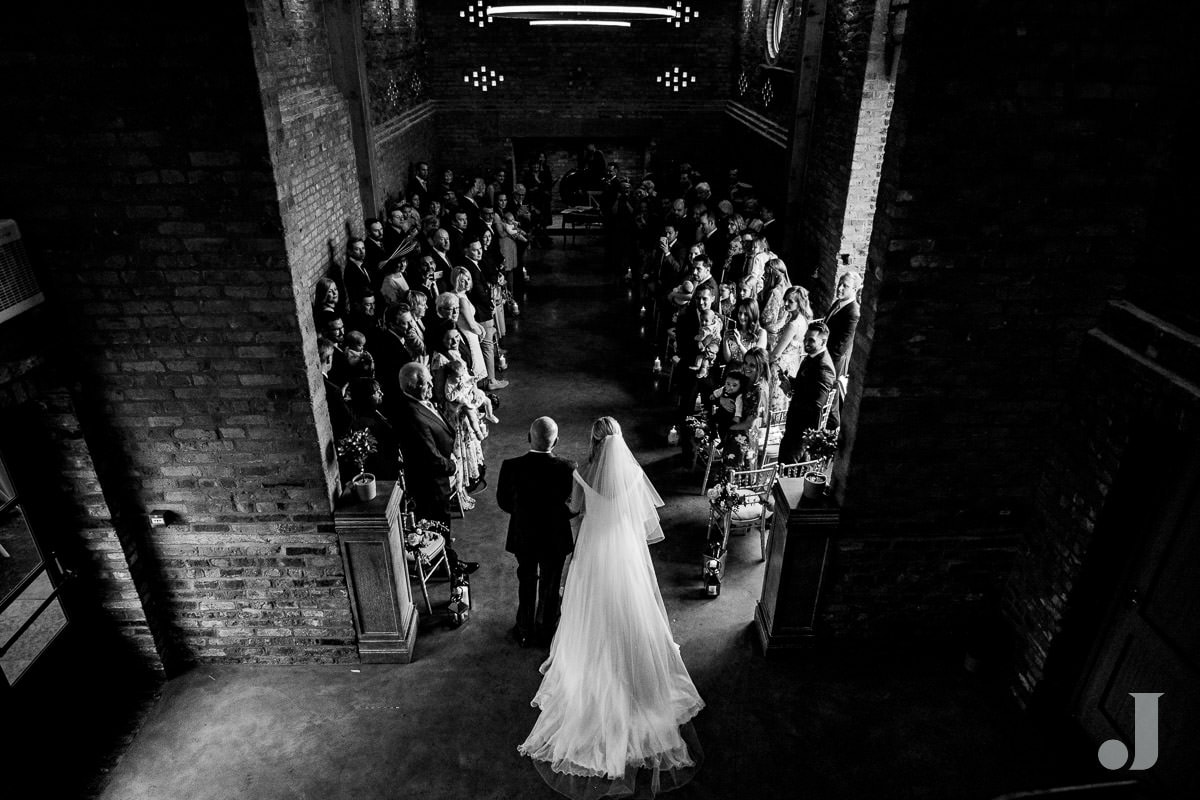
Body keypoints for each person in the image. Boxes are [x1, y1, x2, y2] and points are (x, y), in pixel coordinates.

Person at [518, 417, 704, 799]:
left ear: (594, 440)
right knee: (631, 609)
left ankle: (594, 672)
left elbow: (574, 508)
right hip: (626, 554)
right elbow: (642, 519)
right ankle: (636, 673)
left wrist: (574, 503)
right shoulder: (634, 475)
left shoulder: (583, 472)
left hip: (594, 553)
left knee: (590, 613)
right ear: (619, 441)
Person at [496, 416, 577, 649]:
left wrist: (523, 514)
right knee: (551, 584)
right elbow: (572, 507)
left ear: (528, 437)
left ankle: (524, 630)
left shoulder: (511, 466)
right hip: (555, 537)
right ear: (557, 441)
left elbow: (503, 501)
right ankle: (546, 631)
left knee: (526, 580)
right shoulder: (568, 468)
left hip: (524, 535)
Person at [390, 363, 478, 575]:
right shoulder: (412, 415)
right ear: (414, 385)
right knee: (437, 523)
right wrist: (453, 465)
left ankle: (445, 558)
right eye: (426, 381)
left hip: (436, 477)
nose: (431, 383)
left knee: (440, 522)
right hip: (429, 482)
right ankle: (446, 565)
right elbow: (430, 457)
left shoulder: (419, 402)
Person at [778, 321, 837, 464]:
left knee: (787, 466)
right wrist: (789, 381)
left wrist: (790, 393)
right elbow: (804, 386)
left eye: (811, 340)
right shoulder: (811, 357)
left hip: (802, 430)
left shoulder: (824, 367)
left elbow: (816, 406)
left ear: (823, 341)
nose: (806, 342)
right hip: (795, 425)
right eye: (805, 338)